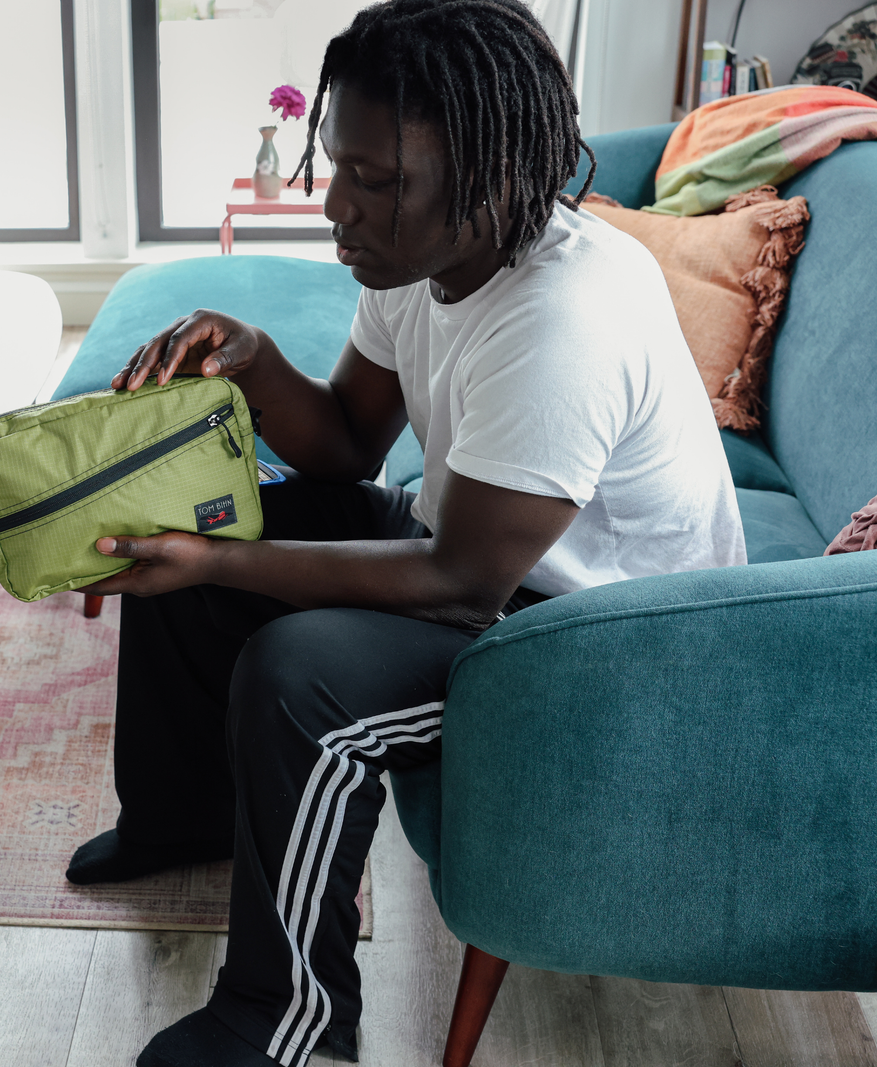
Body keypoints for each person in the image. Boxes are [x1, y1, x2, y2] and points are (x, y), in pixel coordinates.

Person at [66, 1, 748, 1065]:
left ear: (489, 174)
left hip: (607, 644)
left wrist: (225, 564)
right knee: (199, 528)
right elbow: (343, 442)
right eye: (339, 167)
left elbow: (459, 585)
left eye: (375, 183)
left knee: (302, 670)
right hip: (486, 557)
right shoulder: (426, 261)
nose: (335, 207)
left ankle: (287, 1019)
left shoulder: (559, 319)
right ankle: (178, 816)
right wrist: (250, 357)